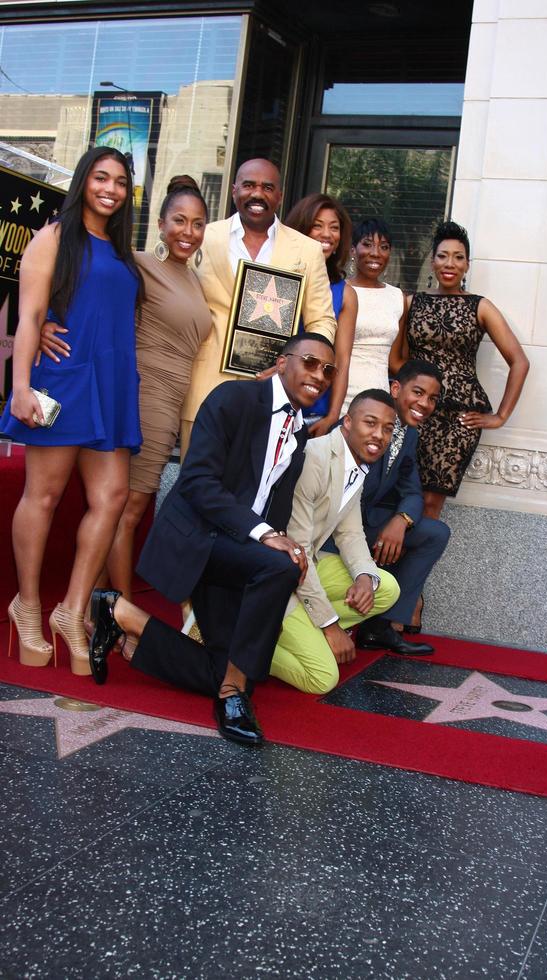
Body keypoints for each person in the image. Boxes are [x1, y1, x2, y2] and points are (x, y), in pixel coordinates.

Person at [88, 334, 338, 747]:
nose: (319, 375)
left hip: (234, 551)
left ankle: (122, 615)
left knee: (225, 667)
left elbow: (272, 509)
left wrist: (276, 537)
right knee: (279, 569)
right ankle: (231, 696)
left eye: (328, 370)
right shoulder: (234, 399)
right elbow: (198, 482)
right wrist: (267, 538)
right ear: (282, 362)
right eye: (310, 362)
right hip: (195, 539)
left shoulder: (297, 435)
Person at [1, 146, 142, 674]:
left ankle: (73, 609)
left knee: (113, 497)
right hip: (63, 381)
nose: (110, 188)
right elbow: (31, 314)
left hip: (111, 383)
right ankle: (28, 605)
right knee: (45, 494)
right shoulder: (54, 237)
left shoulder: (123, 249)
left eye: (121, 182)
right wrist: (20, 386)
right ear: (83, 180)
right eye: (101, 177)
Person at [38, 175, 212, 600]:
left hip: (172, 400)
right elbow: (77, 285)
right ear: (160, 224)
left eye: (197, 224)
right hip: (143, 394)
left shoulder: (194, 279)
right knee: (127, 510)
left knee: (125, 510)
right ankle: (123, 611)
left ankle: (95, 606)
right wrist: (43, 321)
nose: (187, 232)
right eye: (179, 221)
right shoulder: (135, 265)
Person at [179, 158, 337, 457]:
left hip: (274, 392)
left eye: (267, 187)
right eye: (249, 185)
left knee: (253, 494)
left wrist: (292, 365)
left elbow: (322, 323)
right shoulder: (203, 236)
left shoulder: (307, 249)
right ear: (234, 189)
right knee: (195, 487)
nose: (257, 194)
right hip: (205, 385)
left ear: (279, 195)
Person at [269, 389, 400, 695]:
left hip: (306, 566)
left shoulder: (355, 460)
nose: (379, 435)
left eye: (387, 428)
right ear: (348, 422)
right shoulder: (316, 457)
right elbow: (297, 550)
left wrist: (365, 577)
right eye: (370, 423)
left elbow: (351, 534)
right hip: (279, 576)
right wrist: (330, 626)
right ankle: (236, 641)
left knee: (385, 587)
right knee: (322, 678)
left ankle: (306, 629)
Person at [398, 220, 530, 520]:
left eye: (459, 257)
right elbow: (398, 360)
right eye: (443, 255)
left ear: (467, 265)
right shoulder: (411, 303)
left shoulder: (479, 306)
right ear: (433, 261)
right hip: (414, 411)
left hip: (457, 421)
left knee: (430, 503)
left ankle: (413, 564)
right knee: (399, 493)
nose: (450, 263)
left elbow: (519, 361)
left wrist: (500, 416)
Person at [355, 360, 451, 654]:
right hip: (337, 529)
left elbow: (412, 491)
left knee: (435, 533)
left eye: (433, 398)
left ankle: (379, 626)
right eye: (418, 392)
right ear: (395, 388)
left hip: (370, 522)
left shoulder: (409, 435)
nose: (425, 403)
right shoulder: (361, 420)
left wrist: (402, 520)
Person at [284, 193, 358, 435]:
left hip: (315, 413)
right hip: (275, 402)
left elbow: (343, 361)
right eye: (317, 225)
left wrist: (333, 416)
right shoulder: (281, 277)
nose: (327, 234)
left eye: (334, 228)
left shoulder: (345, 294)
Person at [343, 218, 408, 412]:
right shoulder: (338, 290)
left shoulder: (397, 297)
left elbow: (394, 361)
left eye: (384, 247)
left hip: (379, 399)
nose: (376, 253)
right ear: (352, 250)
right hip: (339, 396)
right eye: (367, 244)